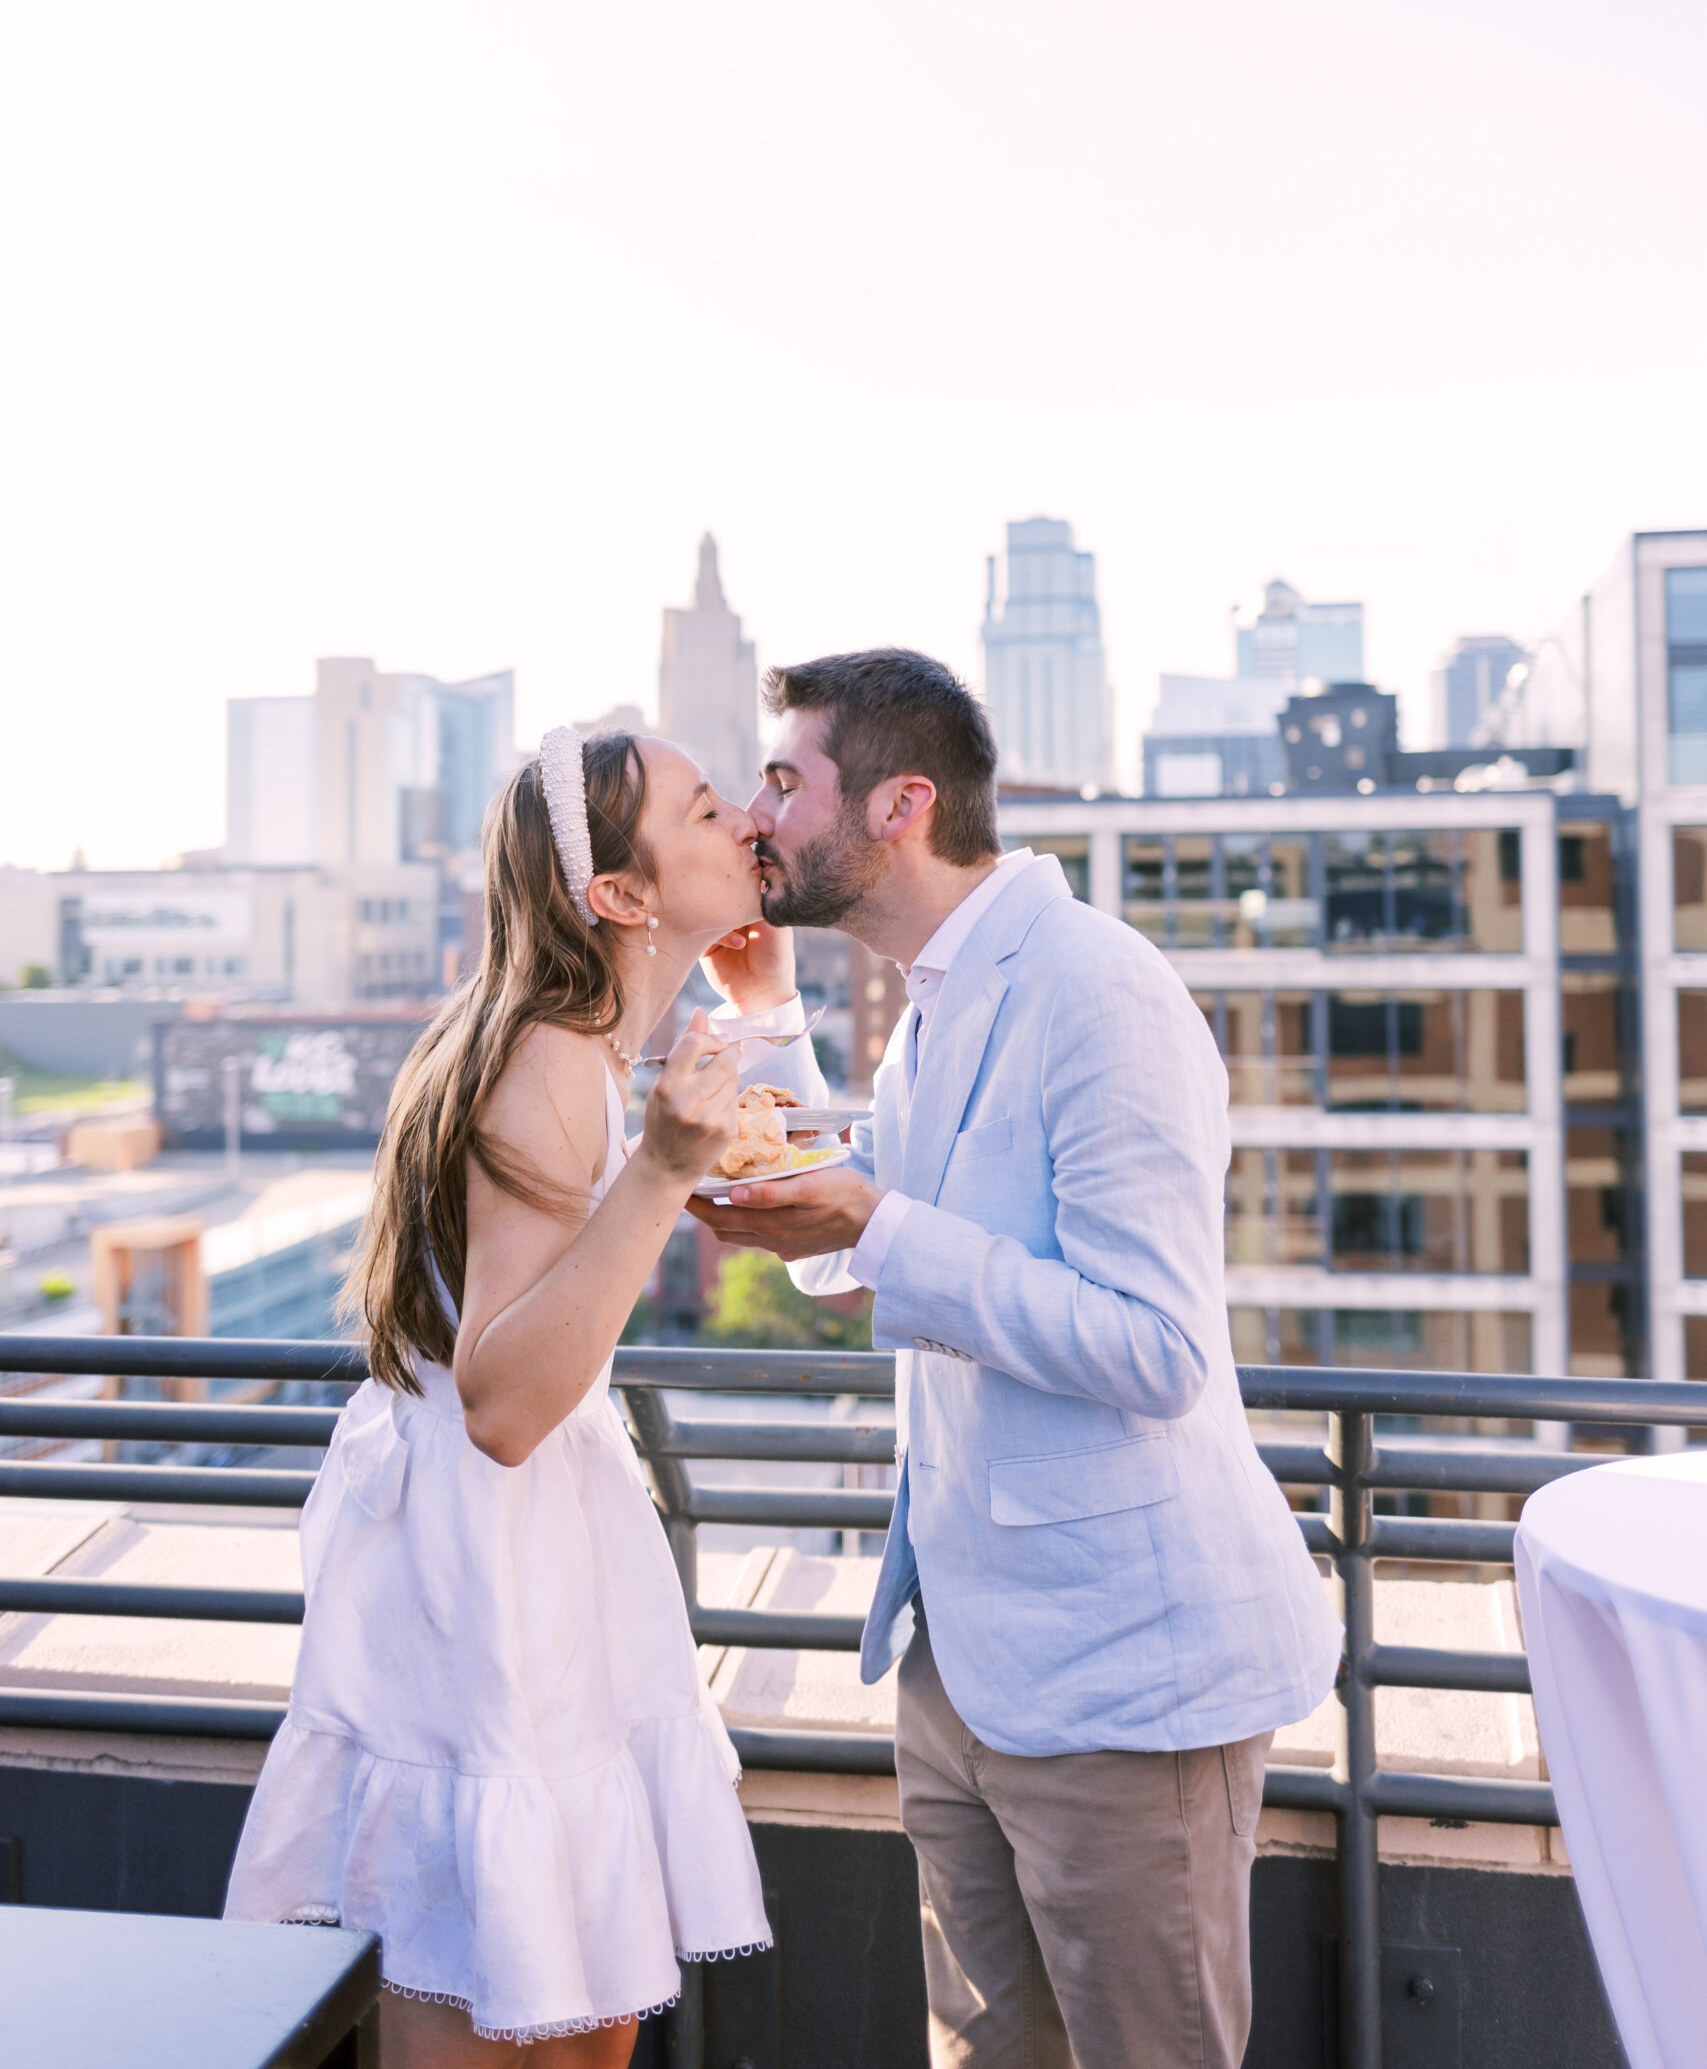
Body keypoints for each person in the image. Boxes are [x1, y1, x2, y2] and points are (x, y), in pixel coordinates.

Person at [695, 650, 1342, 2069]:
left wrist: (882, 1221)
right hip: (965, 1668)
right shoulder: (938, 1002)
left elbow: (1159, 1349)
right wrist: (771, 1023)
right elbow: (857, 1236)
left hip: (1123, 1687)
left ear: (899, 804)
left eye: (786, 778)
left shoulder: (1097, 991)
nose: (754, 812)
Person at [225, 726, 818, 2065]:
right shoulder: (552, 1058)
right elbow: (499, 1402)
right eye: (709, 809)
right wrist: (660, 1174)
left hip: (520, 1570)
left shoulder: (572, 1041)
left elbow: (792, 1201)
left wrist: (761, 1019)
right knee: (529, 2009)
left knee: (567, 1995)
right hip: (497, 1585)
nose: (743, 826)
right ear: (621, 895)